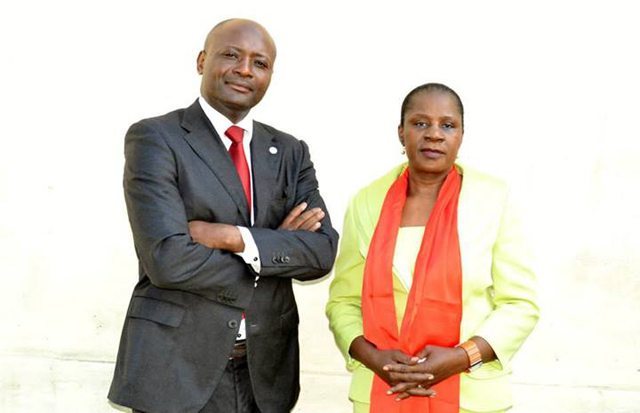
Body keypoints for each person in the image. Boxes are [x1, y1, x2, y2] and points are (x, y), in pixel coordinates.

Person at [108, 18, 339, 413]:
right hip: (177, 373)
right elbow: (168, 260)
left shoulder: (290, 151)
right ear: (202, 61)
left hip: (264, 375)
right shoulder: (156, 139)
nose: (245, 69)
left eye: (259, 63)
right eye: (231, 55)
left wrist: (235, 238)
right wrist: (274, 250)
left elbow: (321, 253)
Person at [326, 83, 539, 413]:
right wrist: (374, 358)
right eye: (420, 123)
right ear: (401, 132)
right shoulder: (367, 202)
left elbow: (520, 304)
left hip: (470, 396)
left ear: (461, 135)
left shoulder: (493, 200)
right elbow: (343, 301)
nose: (434, 134)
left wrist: (462, 357)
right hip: (382, 390)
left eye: (448, 125)